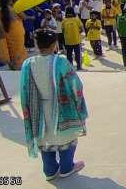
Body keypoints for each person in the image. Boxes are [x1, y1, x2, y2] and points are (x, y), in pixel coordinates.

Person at [20, 29, 87, 180]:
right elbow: (75, 84)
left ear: (37, 45)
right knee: (66, 138)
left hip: (38, 110)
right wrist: (78, 102)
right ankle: (66, 167)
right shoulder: (60, 61)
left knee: (45, 139)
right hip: (62, 108)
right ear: (55, 44)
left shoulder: (28, 64)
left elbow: (24, 89)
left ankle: (50, 171)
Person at [0, 0, 28, 69]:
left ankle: (12, 66)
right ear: (9, 1)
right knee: (18, 50)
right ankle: (18, 66)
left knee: (8, 50)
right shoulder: (15, 9)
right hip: (17, 33)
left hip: (4, 34)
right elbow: (24, 17)